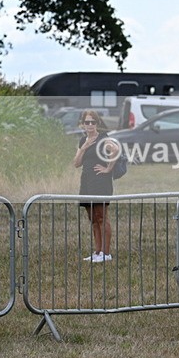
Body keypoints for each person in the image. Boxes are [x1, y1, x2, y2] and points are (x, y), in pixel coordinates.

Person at [73, 109, 118, 263]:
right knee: (92, 218)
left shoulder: (103, 139)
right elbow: (76, 163)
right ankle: (97, 252)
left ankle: (106, 253)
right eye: (87, 122)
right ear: (82, 124)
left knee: (101, 217)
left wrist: (108, 169)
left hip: (100, 182)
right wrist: (84, 147)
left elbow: (115, 150)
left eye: (93, 122)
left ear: (97, 123)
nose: (90, 125)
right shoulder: (82, 141)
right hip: (86, 181)